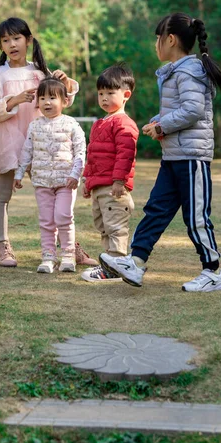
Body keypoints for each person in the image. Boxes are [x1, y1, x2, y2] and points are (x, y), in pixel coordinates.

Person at [100, 12, 221, 293]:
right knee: (156, 210)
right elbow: (180, 109)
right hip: (173, 156)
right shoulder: (178, 71)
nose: (155, 44)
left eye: (157, 39)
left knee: (196, 218)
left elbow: (194, 111)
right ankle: (135, 262)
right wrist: (159, 120)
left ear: (170, 39)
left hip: (192, 157)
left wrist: (161, 127)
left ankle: (214, 272)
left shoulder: (189, 71)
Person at [0, 17, 96, 268]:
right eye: (5, 40)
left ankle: (70, 248)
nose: (12, 44)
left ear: (28, 40)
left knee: (57, 194)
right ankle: (2, 247)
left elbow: (61, 98)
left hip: (43, 141)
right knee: (3, 195)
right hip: (10, 138)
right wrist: (13, 100)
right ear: (0, 45)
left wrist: (66, 82)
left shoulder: (39, 71)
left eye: (16, 38)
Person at [13, 78, 86, 273]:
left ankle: (68, 255)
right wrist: (19, 173)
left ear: (64, 101)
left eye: (52, 97)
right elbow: (27, 151)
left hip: (66, 182)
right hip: (42, 182)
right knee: (46, 220)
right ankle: (48, 256)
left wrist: (75, 174)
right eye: (42, 97)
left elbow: (80, 151)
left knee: (64, 216)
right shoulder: (34, 125)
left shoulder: (71, 124)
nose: (46, 102)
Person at [81, 63, 139, 282]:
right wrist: (88, 180)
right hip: (99, 186)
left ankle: (116, 264)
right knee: (104, 227)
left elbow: (126, 155)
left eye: (109, 93)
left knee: (116, 227)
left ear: (125, 95)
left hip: (114, 188)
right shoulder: (99, 124)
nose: (104, 98)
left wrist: (119, 180)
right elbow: (93, 155)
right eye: (100, 93)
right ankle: (109, 264)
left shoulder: (124, 124)